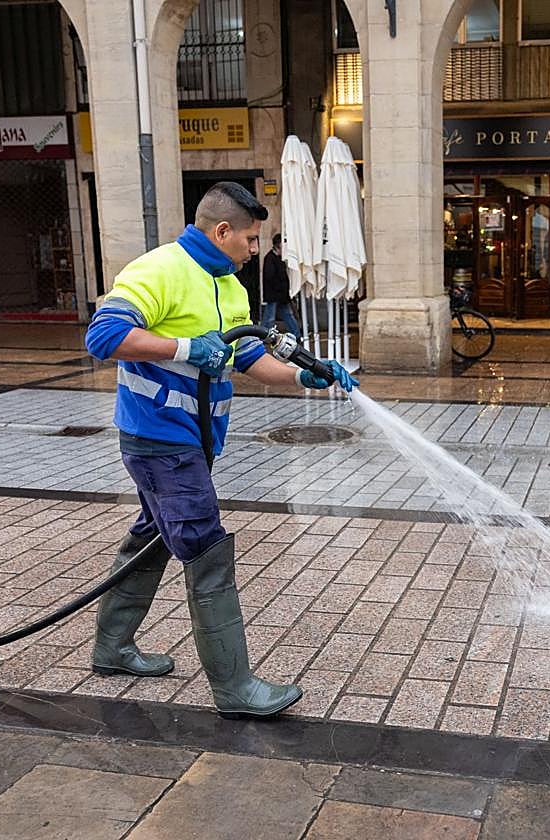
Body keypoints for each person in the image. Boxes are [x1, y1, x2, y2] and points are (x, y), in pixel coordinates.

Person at [84, 182, 357, 718]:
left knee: (152, 537)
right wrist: (186, 346)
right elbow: (103, 337)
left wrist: (308, 377)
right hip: (158, 438)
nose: (256, 249)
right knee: (206, 547)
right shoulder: (157, 270)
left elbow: (251, 358)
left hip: (196, 440)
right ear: (222, 230)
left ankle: (112, 648)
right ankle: (234, 690)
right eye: (251, 239)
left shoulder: (229, 288)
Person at [261, 233, 301, 335]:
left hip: (280, 294)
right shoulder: (270, 258)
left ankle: (296, 334)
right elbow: (270, 277)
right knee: (270, 318)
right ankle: (263, 335)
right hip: (274, 294)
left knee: (286, 315)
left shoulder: (279, 258)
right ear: (278, 245)